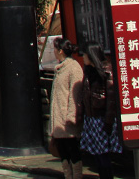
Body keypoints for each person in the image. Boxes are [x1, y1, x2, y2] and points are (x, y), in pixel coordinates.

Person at [80, 41, 122, 179]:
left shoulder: (106, 71)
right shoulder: (89, 71)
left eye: (85, 54)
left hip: (102, 118)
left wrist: (109, 122)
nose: (83, 57)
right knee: (97, 154)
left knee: (103, 155)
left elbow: (111, 100)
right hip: (91, 117)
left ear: (91, 55)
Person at [49, 37, 84, 179]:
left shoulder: (73, 67)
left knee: (73, 151)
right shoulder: (59, 68)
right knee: (62, 151)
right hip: (58, 119)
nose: (54, 52)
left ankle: (77, 176)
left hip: (68, 119)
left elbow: (75, 94)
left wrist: (72, 116)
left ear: (61, 51)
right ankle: (68, 176)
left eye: (55, 49)